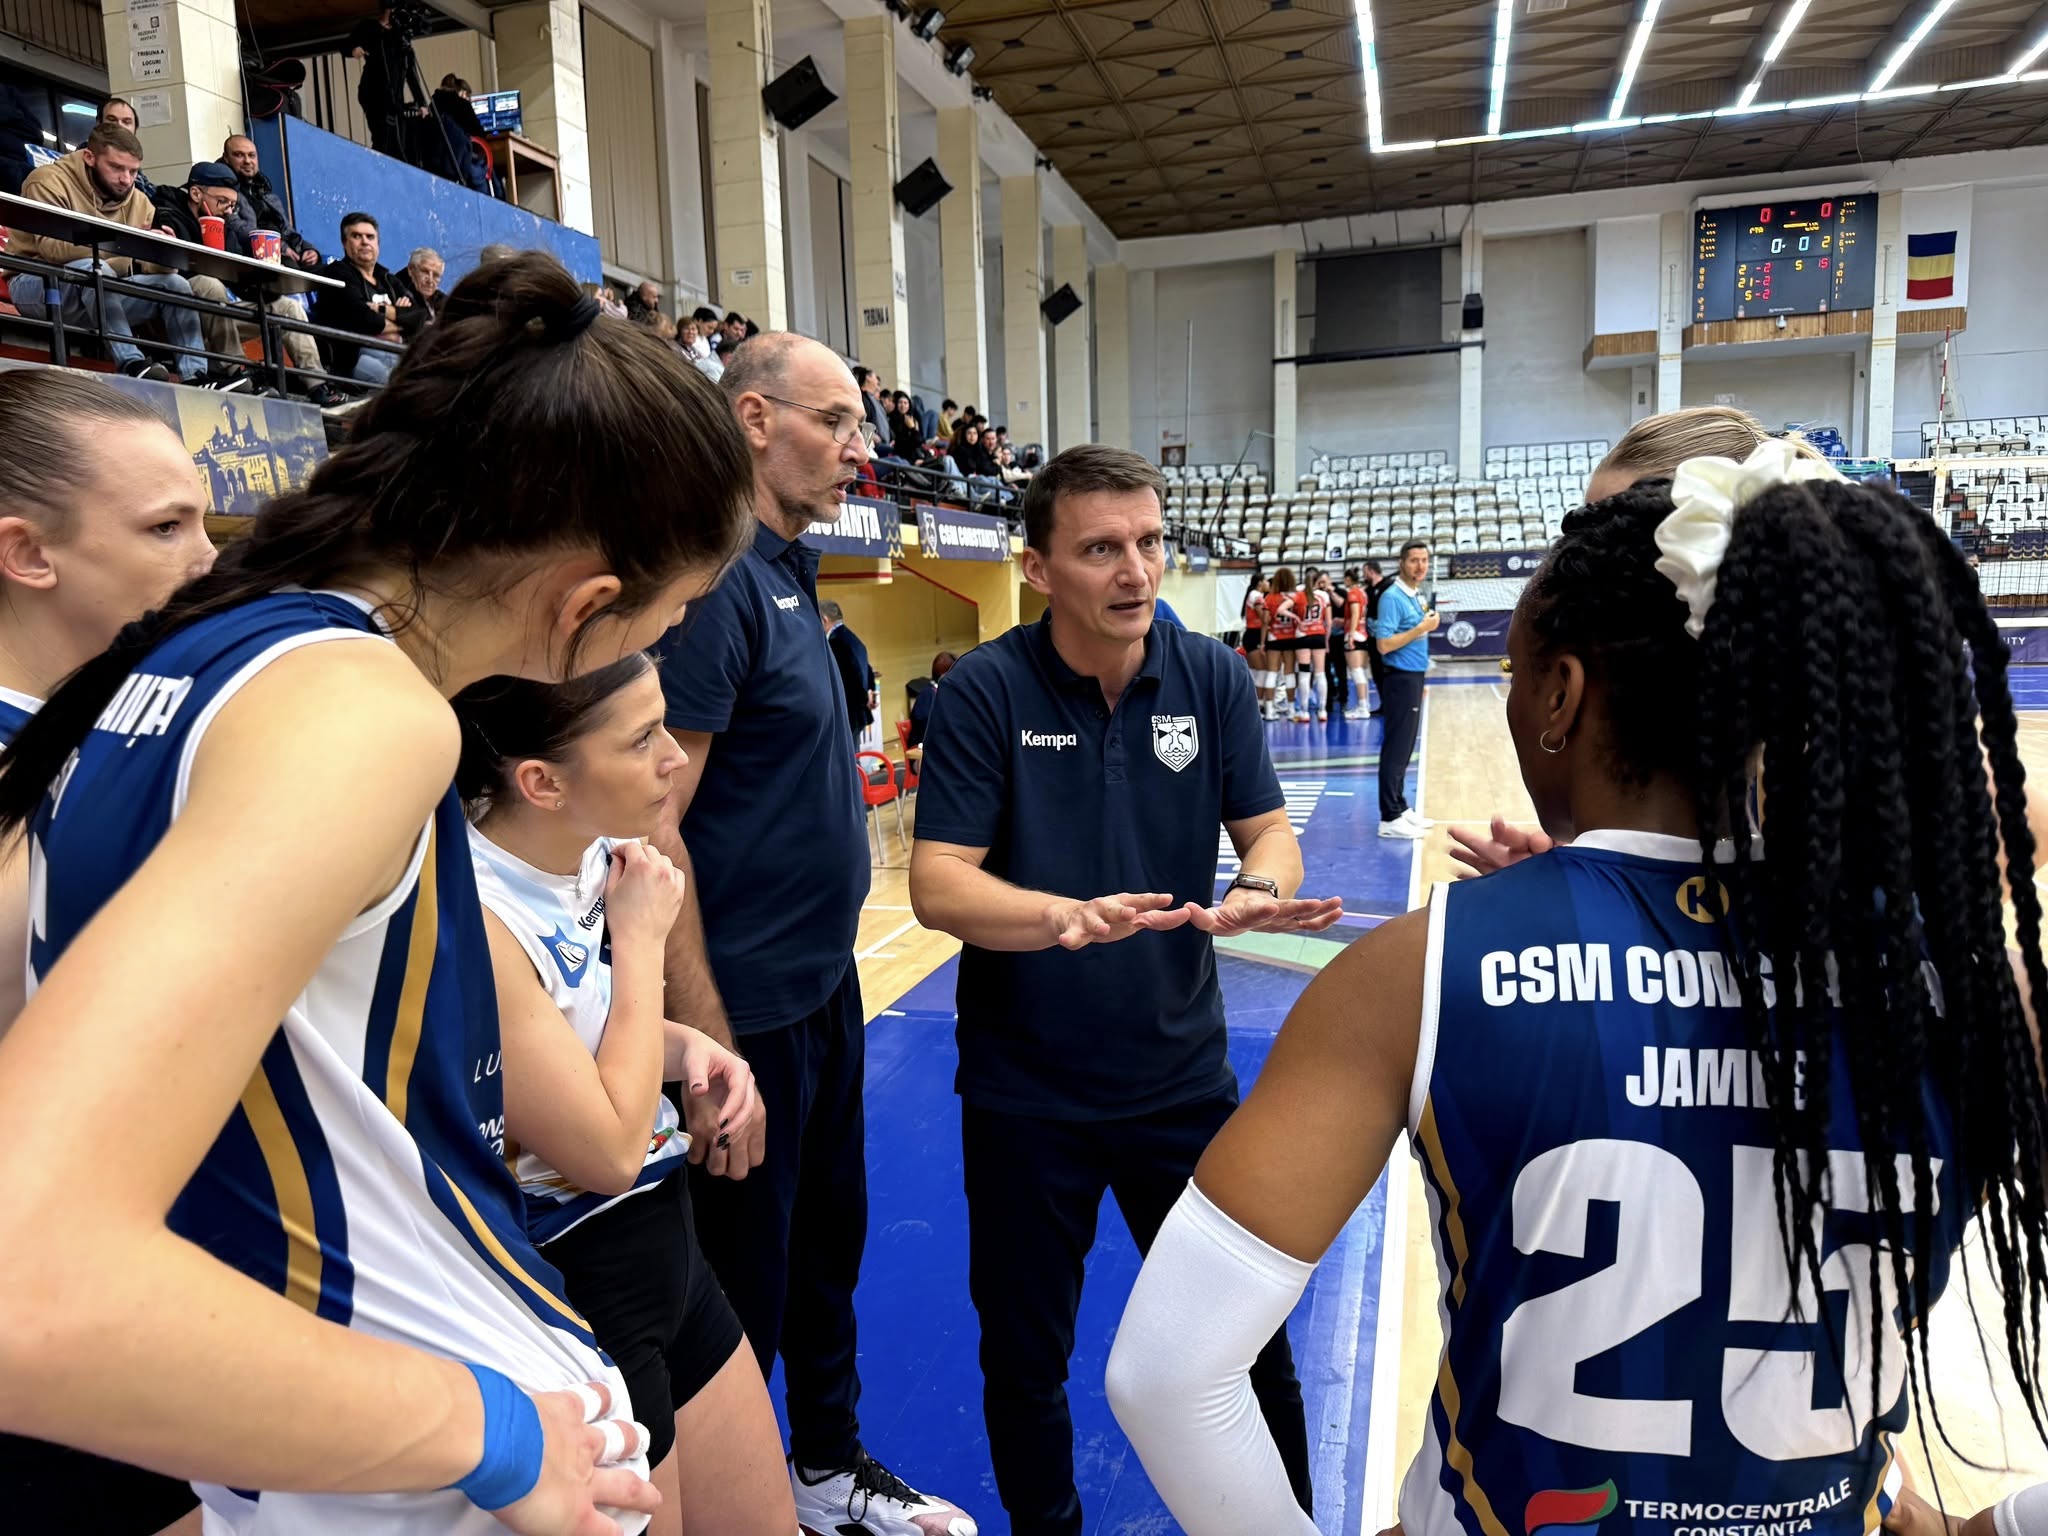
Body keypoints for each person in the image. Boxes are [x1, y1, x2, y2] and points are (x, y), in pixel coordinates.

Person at [1104, 438, 2048, 1536]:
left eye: (1517, 676)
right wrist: (1995, 1528)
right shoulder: (1979, 990)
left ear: (1560, 696)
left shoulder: (1418, 971)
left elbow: (1164, 1375)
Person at [0, 252, 756, 1535]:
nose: (668, 643)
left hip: (311, 1436)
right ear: (586, 602)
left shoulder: (199, 658)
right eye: (672, 612)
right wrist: (489, 1432)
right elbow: (30, 1279)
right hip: (428, 1448)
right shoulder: (362, 712)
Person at [907, 444, 1343, 1536]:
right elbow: (938, 882)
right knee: (1025, 1360)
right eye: (1101, 548)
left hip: (1180, 1083)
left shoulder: (1209, 676)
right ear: (1038, 568)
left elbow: (1269, 832)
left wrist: (1257, 890)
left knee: (1247, 1348)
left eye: (1147, 542)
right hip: (1024, 1094)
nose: (1135, 570)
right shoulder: (984, 691)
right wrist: (1057, 916)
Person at [654, 333, 976, 1536]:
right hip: (744, 1012)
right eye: (835, 423)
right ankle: (723, 1508)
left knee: (825, 1249)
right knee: (738, 1287)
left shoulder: (791, 576)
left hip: (821, 988)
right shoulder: (713, 588)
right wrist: (705, 1044)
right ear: (752, 419)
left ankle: (826, 1469)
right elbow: (654, 828)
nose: (858, 450)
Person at [454, 657, 795, 1536]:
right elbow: (604, 1153)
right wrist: (641, 940)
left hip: (666, 1240)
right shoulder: (476, 917)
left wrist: (693, 1049)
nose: (675, 757)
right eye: (643, 740)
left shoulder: (588, 851)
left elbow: (590, 1042)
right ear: (541, 783)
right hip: (579, 1281)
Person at [0, 370, 216, 1535]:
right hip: (62, 1319)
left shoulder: (136, 730)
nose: (207, 562)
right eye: (165, 529)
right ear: (27, 553)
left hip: (181, 1271)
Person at [1448, 408, 1826, 879]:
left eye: (1633, 522)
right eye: (1586, 528)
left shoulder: (1824, 752)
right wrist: (1585, 883)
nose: (1597, 555)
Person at [9, 124, 215, 385]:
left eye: (133, 171)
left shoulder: (140, 201)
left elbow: (144, 267)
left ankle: (196, 377)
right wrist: (123, 241)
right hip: (34, 282)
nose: (126, 179)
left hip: (103, 293)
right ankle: (131, 363)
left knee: (176, 284)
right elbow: (53, 248)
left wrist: (163, 253)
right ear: (89, 157)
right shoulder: (47, 181)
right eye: (116, 168)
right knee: (95, 269)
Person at [1372, 539, 1435, 838]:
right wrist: (1421, 629)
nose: (1420, 566)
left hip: (1413, 675)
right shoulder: (1392, 597)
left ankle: (1399, 806)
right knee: (1396, 747)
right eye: (1414, 560)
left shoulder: (1415, 593)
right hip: (1400, 678)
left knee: (1407, 745)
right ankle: (1389, 817)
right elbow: (1384, 645)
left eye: (1424, 560)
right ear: (1402, 563)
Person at [316, 210, 406, 386]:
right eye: (356, 236)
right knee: (396, 384)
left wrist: (381, 311)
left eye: (370, 237)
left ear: (378, 243)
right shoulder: (337, 273)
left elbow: (418, 316)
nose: (365, 241)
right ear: (345, 243)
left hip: (398, 350)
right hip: (356, 356)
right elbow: (363, 318)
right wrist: (401, 320)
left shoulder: (388, 279)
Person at [221, 134, 323, 269]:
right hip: (259, 259)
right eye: (239, 155)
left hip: (287, 255)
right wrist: (279, 246)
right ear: (226, 158)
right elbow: (236, 227)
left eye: (252, 155)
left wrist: (308, 250)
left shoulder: (269, 196)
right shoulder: (223, 191)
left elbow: (289, 231)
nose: (247, 161)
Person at [347, 0, 417, 159]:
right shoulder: (370, 27)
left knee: (399, 143)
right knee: (382, 139)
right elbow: (347, 45)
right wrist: (354, 49)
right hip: (374, 93)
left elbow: (410, 71)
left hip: (395, 98)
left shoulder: (399, 34)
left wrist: (421, 103)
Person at [821, 600, 876, 741]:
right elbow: (867, 668)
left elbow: (852, 676)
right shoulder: (853, 638)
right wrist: (870, 692)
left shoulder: (835, 643)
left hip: (848, 713)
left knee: (848, 752)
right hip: (858, 713)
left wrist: (864, 698)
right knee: (854, 751)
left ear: (824, 620)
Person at [94, 98, 159, 206]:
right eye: (111, 120)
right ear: (98, 123)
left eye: (126, 122)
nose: (119, 126)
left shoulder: (135, 164)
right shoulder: (85, 156)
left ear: (135, 129)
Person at [1290, 567, 1331, 724]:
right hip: (1319, 635)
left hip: (1303, 636)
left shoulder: (1299, 594)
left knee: (1304, 674)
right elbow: (1328, 621)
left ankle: (1304, 711)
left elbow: (1282, 608)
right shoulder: (1323, 595)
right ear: (1317, 581)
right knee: (1320, 673)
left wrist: (1297, 619)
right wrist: (1326, 640)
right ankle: (1322, 711)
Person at [1260, 565, 1299, 722]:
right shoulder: (1295, 597)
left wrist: (1262, 642)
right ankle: (1291, 710)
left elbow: (1265, 621)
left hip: (1274, 638)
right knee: (1289, 673)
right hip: (1291, 638)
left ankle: (1269, 710)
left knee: (1272, 673)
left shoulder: (1270, 598)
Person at [1341, 565, 1376, 720]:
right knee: (1361, 671)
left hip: (1354, 633)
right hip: (1363, 633)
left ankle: (1362, 707)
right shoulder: (1363, 592)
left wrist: (1350, 634)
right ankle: (1364, 705)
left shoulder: (1353, 593)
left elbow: (1355, 613)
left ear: (1348, 579)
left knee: (1356, 671)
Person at [390, 246, 448, 332]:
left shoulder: (442, 301)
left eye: (436, 275)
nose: (430, 280)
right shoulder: (393, 293)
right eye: (425, 272)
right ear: (410, 270)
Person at [906, 650, 955, 751]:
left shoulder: (945, 692)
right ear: (943, 674)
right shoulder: (927, 695)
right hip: (922, 750)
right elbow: (928, 728)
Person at [1241, 574, 1270, 718]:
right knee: (1262, 671)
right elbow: (1264, 619)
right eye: (1265, 581)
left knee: (1254, 672)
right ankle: (1258, 705)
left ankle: (1252, 704)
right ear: (1260, 583)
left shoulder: (1254, 594)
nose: (1267, 583)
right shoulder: (1256, 595)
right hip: (1254, 637)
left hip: (1252, 636)